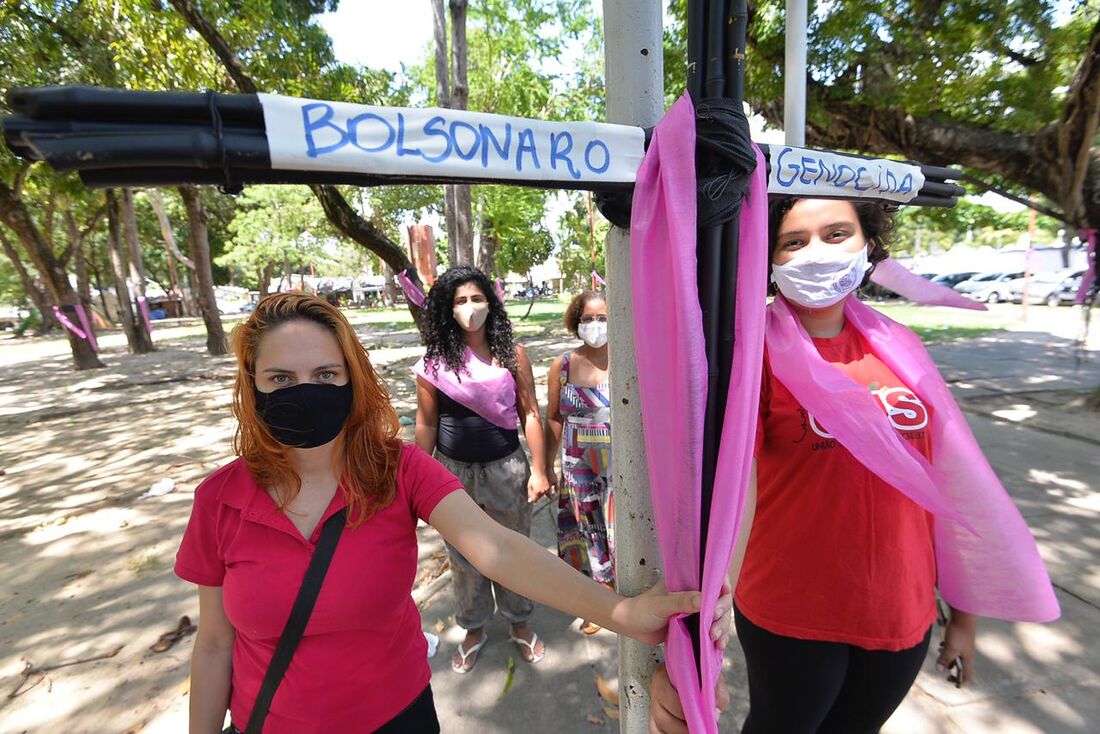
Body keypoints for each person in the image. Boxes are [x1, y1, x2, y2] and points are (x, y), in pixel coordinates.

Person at [176, 292, 732, 734]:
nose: (306, 392)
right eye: (281, 379)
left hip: (399, 718)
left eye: (325, 375)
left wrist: (621, 613)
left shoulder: (400, 471)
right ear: (253, 387)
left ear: (351, 379)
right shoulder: (219, 502)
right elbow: (216, 644)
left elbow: (499, 548)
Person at [650, 198, 983, 734]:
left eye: (836, 234)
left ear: (867, 243)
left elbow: (949, 484)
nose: (817, 254)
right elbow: (739, 484)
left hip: (902, 611)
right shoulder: (750, 351)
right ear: (769, 257)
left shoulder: (902, 346)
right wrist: (712, 604)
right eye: (794, 241)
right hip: (793, 613)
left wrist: (964, 618)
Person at [413, 266, 553, 673]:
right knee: (463, 556)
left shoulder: (513, 355)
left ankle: (520, 622)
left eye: (477, 298)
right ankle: (473, 628)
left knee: (513, 549)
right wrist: (417, 480)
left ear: (492, 303)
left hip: (506, 469)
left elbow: (530, 413)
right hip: (452, 476)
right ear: (447, 309)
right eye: (460, 301)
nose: (470, 308)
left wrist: (540, 470)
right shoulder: (434, 363)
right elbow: (426, 424)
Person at [544, 290, 614, 635]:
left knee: (620, 530)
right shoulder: (563, 365)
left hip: (620, 470)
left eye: (603, 318)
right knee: (586, 530)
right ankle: (596, 600)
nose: (596, 325)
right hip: (578, 467)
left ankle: (622, 594)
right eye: (588, 318)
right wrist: (544, 467)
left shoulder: (629, 359)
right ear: (576, 321)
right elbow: (554, 418)